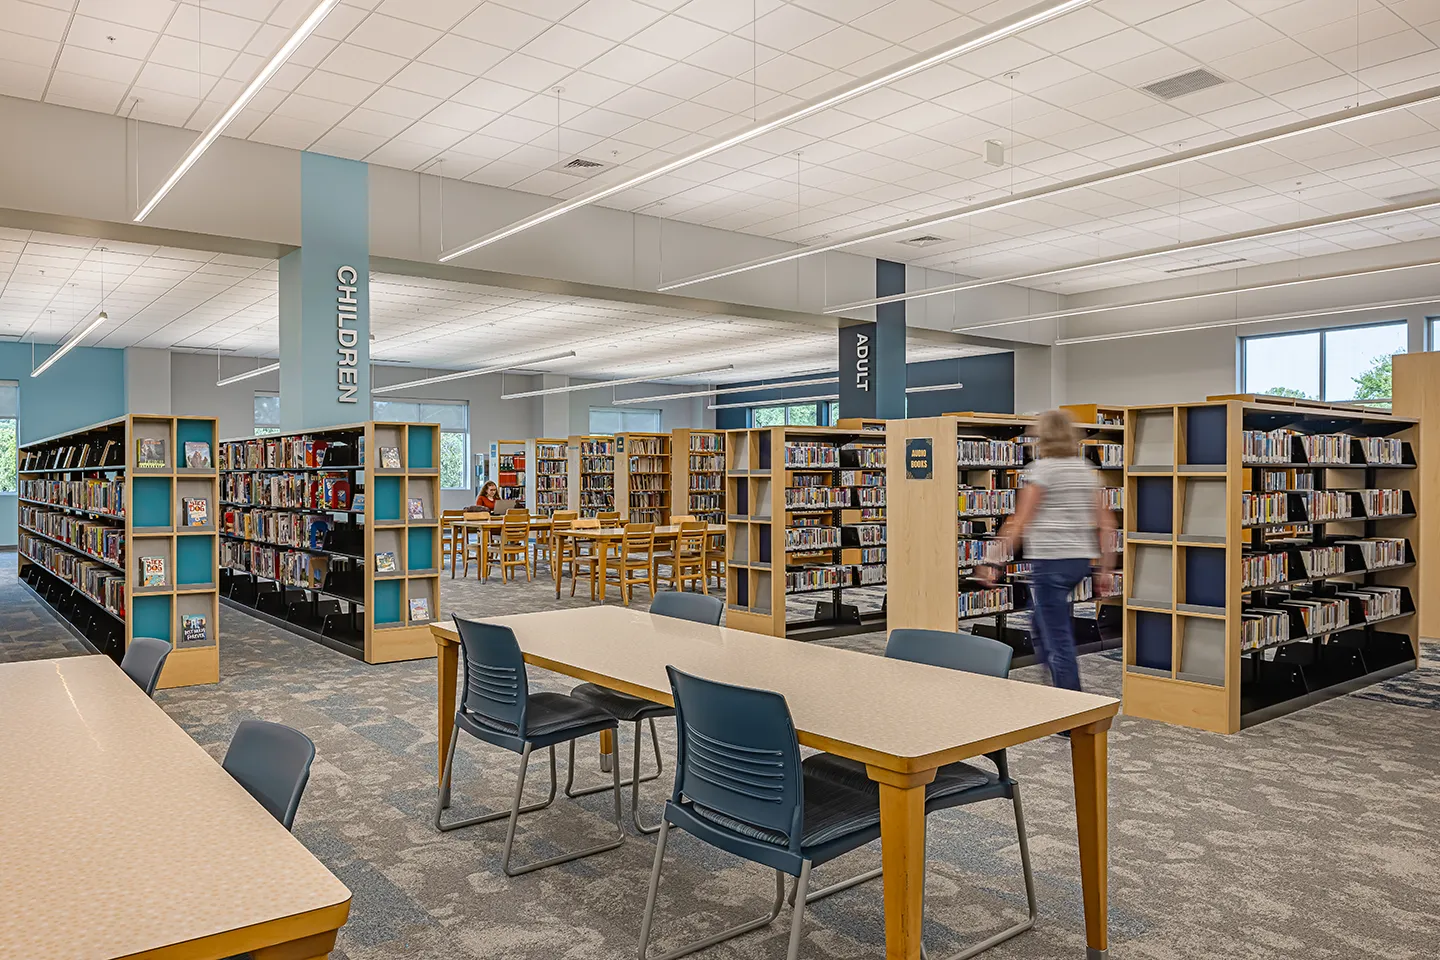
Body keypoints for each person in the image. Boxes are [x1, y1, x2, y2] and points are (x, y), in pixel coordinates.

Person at [989, 410, 1115, 693]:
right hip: (1078, 562)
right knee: (1040, 622)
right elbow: (1107, 524)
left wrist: (993, 561)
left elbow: (1020, 521)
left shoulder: (1042, 471)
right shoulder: (1084, 470)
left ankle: (1070, 703)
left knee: (1057, 639)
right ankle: (1054, 687)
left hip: (1051, 561)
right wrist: (1105, 569)